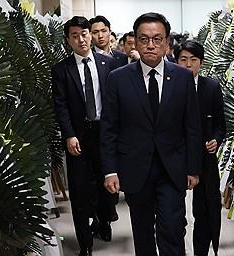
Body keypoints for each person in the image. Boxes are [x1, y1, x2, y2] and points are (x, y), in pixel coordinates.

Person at [100, 12, 202, 256]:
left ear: (167, 43)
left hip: (172, 168)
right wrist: (110, 170)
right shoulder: (118, 79)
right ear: (135, 41)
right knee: (143, 233)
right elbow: (109, 128)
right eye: (144, 39)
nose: (150, 46)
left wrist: (193, 168)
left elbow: (192, 126)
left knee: (172, 229)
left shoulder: (183, 77)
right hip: (135, 167)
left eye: (157, 39)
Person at [51, 16, 114, 256]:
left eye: (84, 33)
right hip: (78, 137)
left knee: (106, 183)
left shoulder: (108, 65)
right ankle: (85, 243)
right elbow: (61, 105)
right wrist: (69, 135)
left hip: (104, 135)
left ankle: (104, 221)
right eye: (75, 35)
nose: (81, 39)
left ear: (91, 35)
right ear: (68, 40)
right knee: (78, 190)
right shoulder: (61, 70)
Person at [175, 40, 226, 256]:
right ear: (176, 61)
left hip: (205, 156)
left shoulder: (211, 87)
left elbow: (220, 125)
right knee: (174, 211)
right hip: (177, 156)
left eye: (193, 60)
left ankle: (201, 251)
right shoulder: (169, 86)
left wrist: (216, 139)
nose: (188, 65)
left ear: (201, 63)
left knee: (205, 209)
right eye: (183, 60)